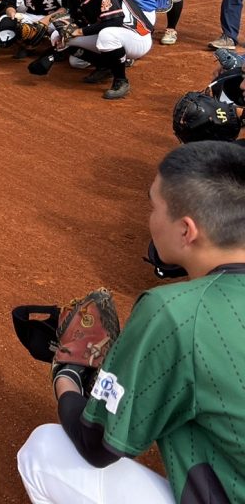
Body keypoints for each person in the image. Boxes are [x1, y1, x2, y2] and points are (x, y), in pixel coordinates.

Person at [17, 140, 245, 504]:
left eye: (154, 207)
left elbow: (97, 444)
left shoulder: (175, 311)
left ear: (186, 230)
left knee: (44, 452)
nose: (150, 218)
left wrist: (67, 373)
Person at [28, 0, 151, 99]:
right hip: (114, 34)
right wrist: (50, 53)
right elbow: (77, 21)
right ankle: (105, 67)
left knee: (107, 35)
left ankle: (121, 81)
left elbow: (114, 22)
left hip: (137, 37)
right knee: (58, 34)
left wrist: (79, 31)